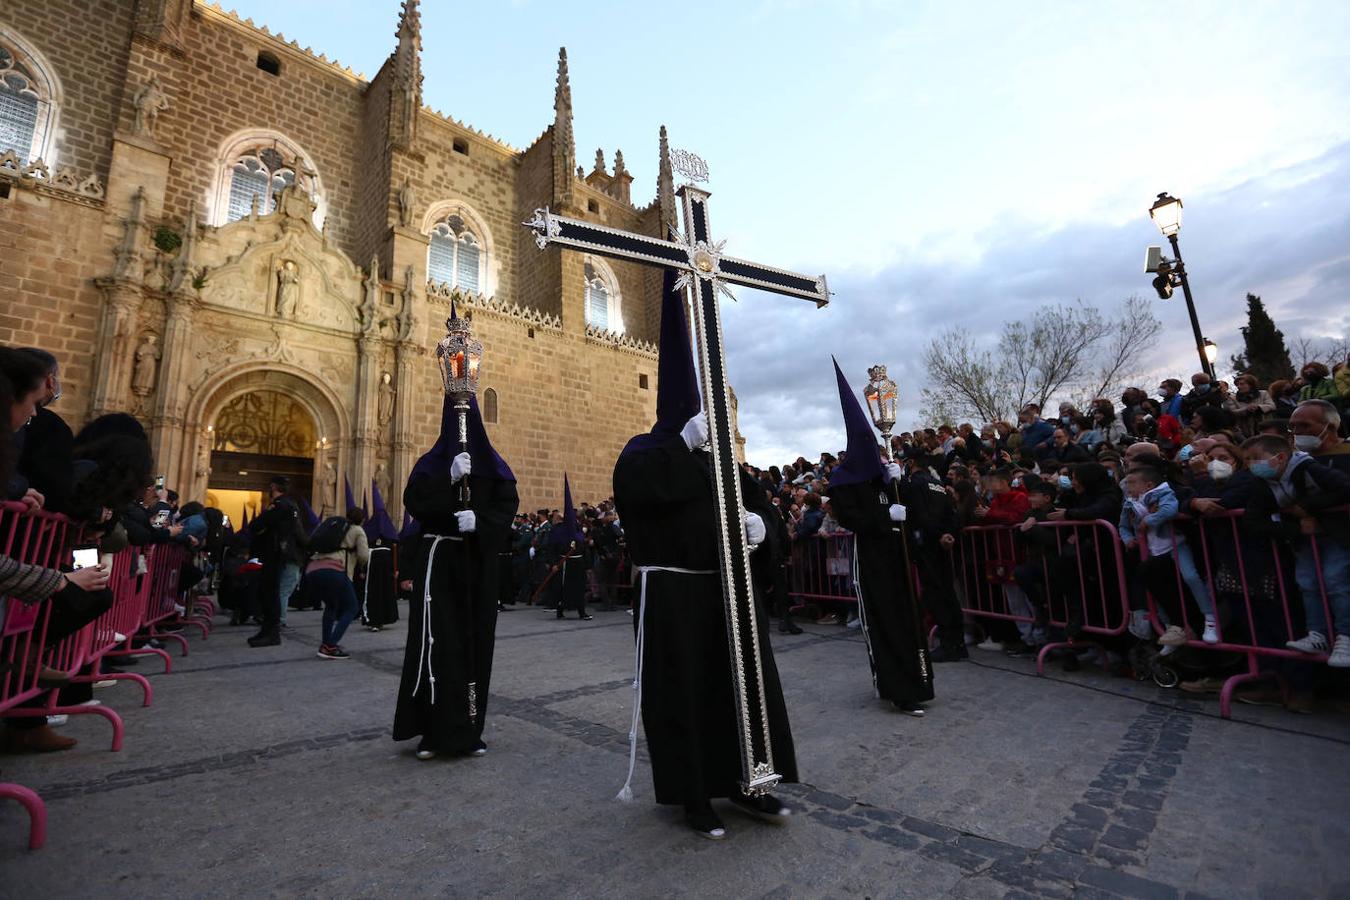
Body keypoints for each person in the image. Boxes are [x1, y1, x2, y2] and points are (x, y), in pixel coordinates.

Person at [612, 270, 796, 840]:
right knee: (686, 696)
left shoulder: (723, 461)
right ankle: (694, 795)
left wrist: (760, 529)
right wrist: (681, 445)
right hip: (674, 595)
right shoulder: (647, 449)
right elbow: (636, 491)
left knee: (741, 691)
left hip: (728, 592)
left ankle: (750, 781)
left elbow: (763, 507)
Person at [393, 391, 519, 760]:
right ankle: (431, 731)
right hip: (440, 565)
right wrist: (446, 481)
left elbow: (507, 506)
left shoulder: (494, 467)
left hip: (476, 566)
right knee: (437, 644)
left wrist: (480, 521)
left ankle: (469, 729)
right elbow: (415, 504)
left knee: (474, 643)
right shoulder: (431, 465)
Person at [825, 360, 933, 715]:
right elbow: (855, 518)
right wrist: (885, 516)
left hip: (897, 557)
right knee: (885, 618)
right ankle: (898, 688)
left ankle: (920, 681)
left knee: (908, 616)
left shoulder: (886, 478)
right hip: (873, 558)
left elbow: (912, 509)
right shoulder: (846, 483)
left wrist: (900, 484)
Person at [1242, 434, 1350, 666]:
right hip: (1306, 540)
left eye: (1255, 458)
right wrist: (1296, 529)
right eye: (1247, 460)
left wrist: (1307, 508)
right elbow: (1252, 520)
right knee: (1306, 582)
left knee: (1335, 580)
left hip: (1336, 536)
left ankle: (1346, 637)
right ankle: (1317, 634)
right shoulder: (1264, 484)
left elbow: (1344, 487)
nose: (1251, 465)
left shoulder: (1309, 468)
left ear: (1279, 457)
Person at [246, 475, 305, 647]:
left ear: (273, 486)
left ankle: (271, 632)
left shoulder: (281, 506)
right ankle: (268, 631)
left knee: (269, 593)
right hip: (277, 553)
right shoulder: (292, 505)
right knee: (269, 593)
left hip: (273, 553)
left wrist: (162, 503)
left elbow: (257, 525)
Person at [309, 508, 370, 659]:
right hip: (335, 569)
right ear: (362, 520)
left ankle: (325, 644)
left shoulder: (334, 526)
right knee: (352, 607)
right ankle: (330, 645)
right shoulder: (357, 530)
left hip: (313, 568)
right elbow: (364, 555)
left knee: (331, 606)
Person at [547, 476, 591, 620]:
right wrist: (553, 563)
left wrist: (586, 563)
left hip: (577, 563)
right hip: (563, 564)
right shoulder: (557, 531)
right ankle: (560, 610)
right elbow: (552, 548)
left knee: (578, 588)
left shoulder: (578, 530)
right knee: (562, 588)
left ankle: (581, 612)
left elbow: (583, 547)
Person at [1289, 399, 1350, 473]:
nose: (1296, 431)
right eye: (1292, 426)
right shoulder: (1295, 461)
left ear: (1330, 427)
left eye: (1304, 425)